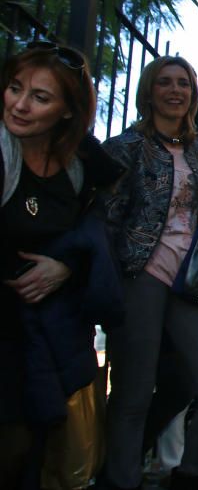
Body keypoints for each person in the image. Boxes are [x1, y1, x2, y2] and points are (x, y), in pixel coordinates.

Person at [100, 56, 198, 490]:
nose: (176, 90)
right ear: (149, 91)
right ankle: (120, 479)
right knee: (132, 394)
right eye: (165, 82)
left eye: (184, 84)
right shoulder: (123, 148)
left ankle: (190, 475)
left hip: (190, 281)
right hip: (138, 276)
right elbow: (107, 218)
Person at [0, 43, 124, 490]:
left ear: (68, 112)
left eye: (40, 97)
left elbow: (106, 204)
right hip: (9, 331)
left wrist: (68, 262)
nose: (19, 104)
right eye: (16, 88)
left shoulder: (79, 161)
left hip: (51, 329)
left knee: (33, 448)